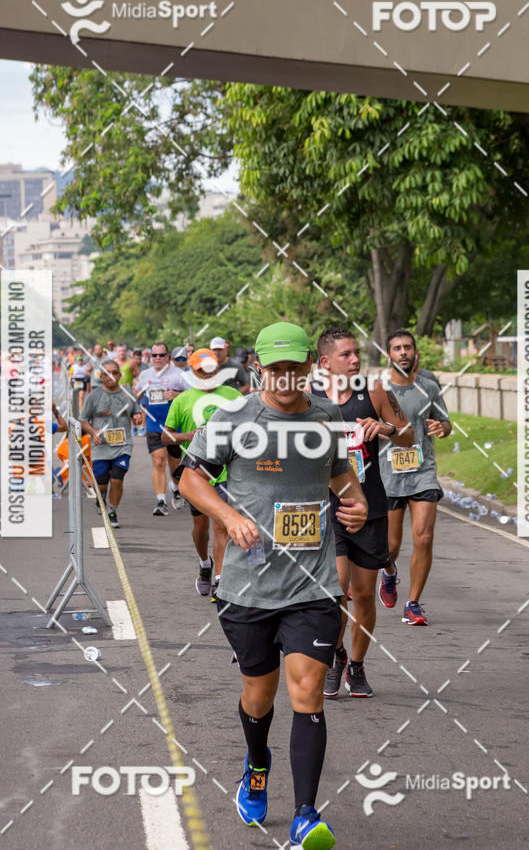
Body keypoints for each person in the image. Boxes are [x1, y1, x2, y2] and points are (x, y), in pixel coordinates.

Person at [179, 322, 367, 849]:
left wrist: (358, 502)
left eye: (295, 367)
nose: (286, 377)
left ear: (310, 366)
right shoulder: (234, 417)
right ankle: (256, 764)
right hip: (248, 586)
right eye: (276, 367)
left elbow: (341, 473)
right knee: (259, 696)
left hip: (313, 585)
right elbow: (190, 478)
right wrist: (228, 514)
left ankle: (307, 813)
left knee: (307, 693)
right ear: (260, 367)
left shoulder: (326, 417)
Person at [311, 327, 414, 699]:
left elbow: (409, 436)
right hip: (327, 506)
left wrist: (385, 427)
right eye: (346, 355)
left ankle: (356, 663)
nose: (355, 359)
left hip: (368, 504)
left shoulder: (373, 391)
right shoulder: (308, 398)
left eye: (356, 353)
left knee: (365, 594)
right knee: (337, 588)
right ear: (325, 362)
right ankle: (335, 655)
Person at [379, 329, 451, 626]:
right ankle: (389, 572)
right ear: (389, 356)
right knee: (390, 547)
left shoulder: (429, 387)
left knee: (424, 536)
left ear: (415, 352)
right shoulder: (377, 390)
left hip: (423, 472)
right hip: (389, 474)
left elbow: (446, 423)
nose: (403, 352)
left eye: (408, 347)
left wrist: (442, 428)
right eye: (397, 348)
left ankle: (413, 603)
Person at [162, 348, 241, 598]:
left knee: (222, 524)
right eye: (201, 371)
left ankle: (220, 580)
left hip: (228, 472)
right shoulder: (182, 400)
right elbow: (166, 436)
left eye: (212, 370)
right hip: (196, 475)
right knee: (200, 529)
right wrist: (190, 436)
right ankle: (204, 564)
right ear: (193, 372)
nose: (208, 375)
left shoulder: (234, 396)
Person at [79, 359, 142, 528]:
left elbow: (137, 413)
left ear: (120, 375)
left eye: (115, 372)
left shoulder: (128, 394)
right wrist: (93, 432)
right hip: (101, 445)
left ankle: (112, 510)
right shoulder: (93, 396)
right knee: (100, 484)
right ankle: (101, 500)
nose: (111, 376)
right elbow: (83, 420)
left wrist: (137, 417)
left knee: (117, 479)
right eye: (107, 373)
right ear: (101, 376)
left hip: (123, 444)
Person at [135, 342, 190, 515]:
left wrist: (176, 395)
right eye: (154, 355)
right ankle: (161, 501)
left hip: (175, 425)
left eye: (161, 355)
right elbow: (138, 395)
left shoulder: (179, 375)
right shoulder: (145, 375)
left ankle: (175, 487)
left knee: (175, 464)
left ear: (168, 357)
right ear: (150, 357)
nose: (158, 358)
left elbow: (192, 396)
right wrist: (137, 412)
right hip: (153, 423)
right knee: (158, 461)